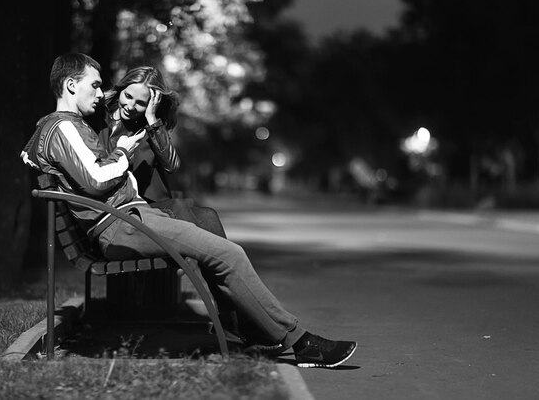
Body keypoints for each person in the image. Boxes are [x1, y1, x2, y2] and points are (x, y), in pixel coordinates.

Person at [21, 52, 356, 368]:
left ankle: (255, 330)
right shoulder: (64, 126)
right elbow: (96, 179)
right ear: (70, 85)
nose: (100, 91)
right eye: (94, 84)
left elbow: (66, 155)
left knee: (214, 239)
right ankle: (300, 343)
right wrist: (122, 152)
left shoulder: (65, 125)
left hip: (132, 217)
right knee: (229, 254)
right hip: (121, 224)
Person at [97, 66, 226, 238]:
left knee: (209, 216)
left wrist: (152, 119)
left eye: (141, 103)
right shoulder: (100, 121)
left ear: (152, 104)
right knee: (183, 211)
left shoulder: (151, 127)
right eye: (128, 96)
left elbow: (172, 165)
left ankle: (207, 263)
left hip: (153, 206)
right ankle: (195, 263)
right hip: (128, 209)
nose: (130, 106)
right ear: (120, 90)